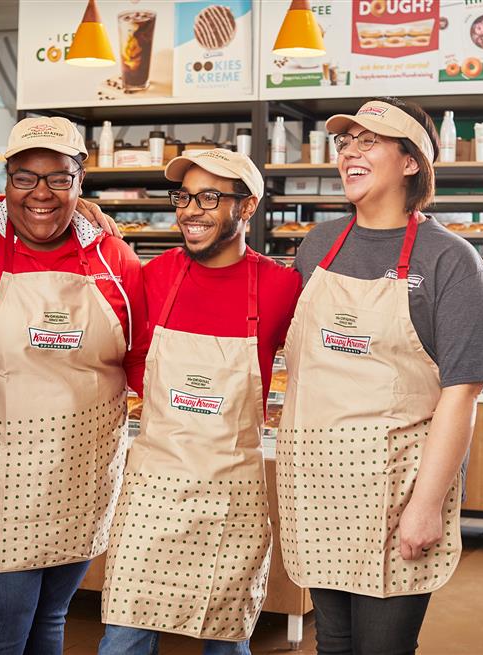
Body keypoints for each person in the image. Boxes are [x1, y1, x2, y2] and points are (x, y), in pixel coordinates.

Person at [276, 97, 483, 655]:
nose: (350, 151)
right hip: (317, 486)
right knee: (333, 645)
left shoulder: (450, 260)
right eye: (344, 142)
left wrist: (426, 506)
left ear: (410, 161)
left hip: (394, 491)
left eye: (368, 140)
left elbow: (461, 394)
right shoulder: (319, 245)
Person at [0, 116, 149, 655]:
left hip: (81, 477)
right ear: (6, 181)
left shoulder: (115, 259)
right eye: (25, 178)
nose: (41, 193)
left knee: (51, 620)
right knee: (1, 628)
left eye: (59, 179)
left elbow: (140, 361)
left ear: (80, 183)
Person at [99, 149, 303, 654]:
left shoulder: (281, 288)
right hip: (154, 487)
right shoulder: (154, 277)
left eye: (210, 197)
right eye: (184, 197)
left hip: (232, 493)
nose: (191, 210)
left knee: (227, 642)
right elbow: (135, 357)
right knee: (123, 640)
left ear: (248, 206)